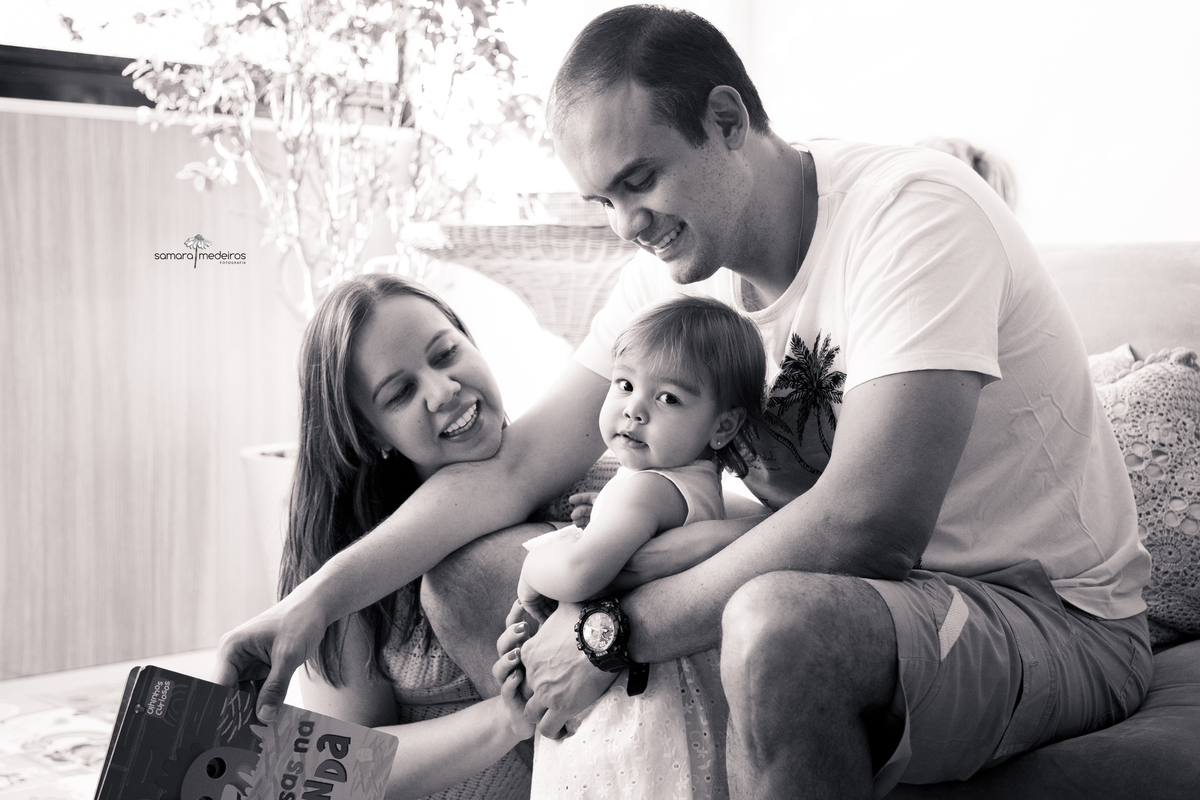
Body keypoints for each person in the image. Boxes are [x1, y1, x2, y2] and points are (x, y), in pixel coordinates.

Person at [216, 6, 1153, 798]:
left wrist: (606, 633)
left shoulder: (913, 214)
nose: (628, 225)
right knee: (472, 575)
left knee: (779, 623)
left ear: (727, 118)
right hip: (849, 594)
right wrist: (310, 604)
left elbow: (870, 525)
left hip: (1044, 614)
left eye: (639, 181)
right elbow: (515, 466)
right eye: (602, 201)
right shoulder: (670, 273)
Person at [275, 272, 538, 800]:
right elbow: (339, 768)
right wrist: (508, 717)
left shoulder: (591, 472)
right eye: (400, 393)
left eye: (446, 354)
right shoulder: (345, 565)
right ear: (369, 433)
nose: (443, 391)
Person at [510, 296, 765, 799]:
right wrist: (608, 518)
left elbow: (580, 573)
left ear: (722, 427)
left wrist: (535, 563)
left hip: (633, 708)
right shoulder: (695, 485)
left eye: (668, 398)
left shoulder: (645, 490)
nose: (634, 408)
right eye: (624, 384)